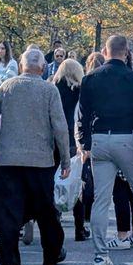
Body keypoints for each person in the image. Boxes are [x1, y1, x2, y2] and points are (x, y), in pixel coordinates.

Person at [0, 49, 71, 265]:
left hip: (9, 160)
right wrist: (64, 159)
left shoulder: (7, 87)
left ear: (21, 66)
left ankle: (9, 263)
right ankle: (51, 254)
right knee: (46, 210)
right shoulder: (49, 90)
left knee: (9, 212)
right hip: (41, 161)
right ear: (42, 68)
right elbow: (60, 127)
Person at [78, 35, 133, 265]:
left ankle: (100, 256)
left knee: (101, 199)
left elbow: (83, 117)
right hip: (128, 138)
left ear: (105, 51)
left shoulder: (90, 79)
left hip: (99, 140)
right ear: (126, 53)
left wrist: (85, 145)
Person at [54, 58, 92, 241]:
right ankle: (79, 228)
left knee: (54, 182)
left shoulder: (52, 89)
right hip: (74, 141)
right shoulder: (80, 91)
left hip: (53, 140)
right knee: (76, 184)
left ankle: (56, 221)